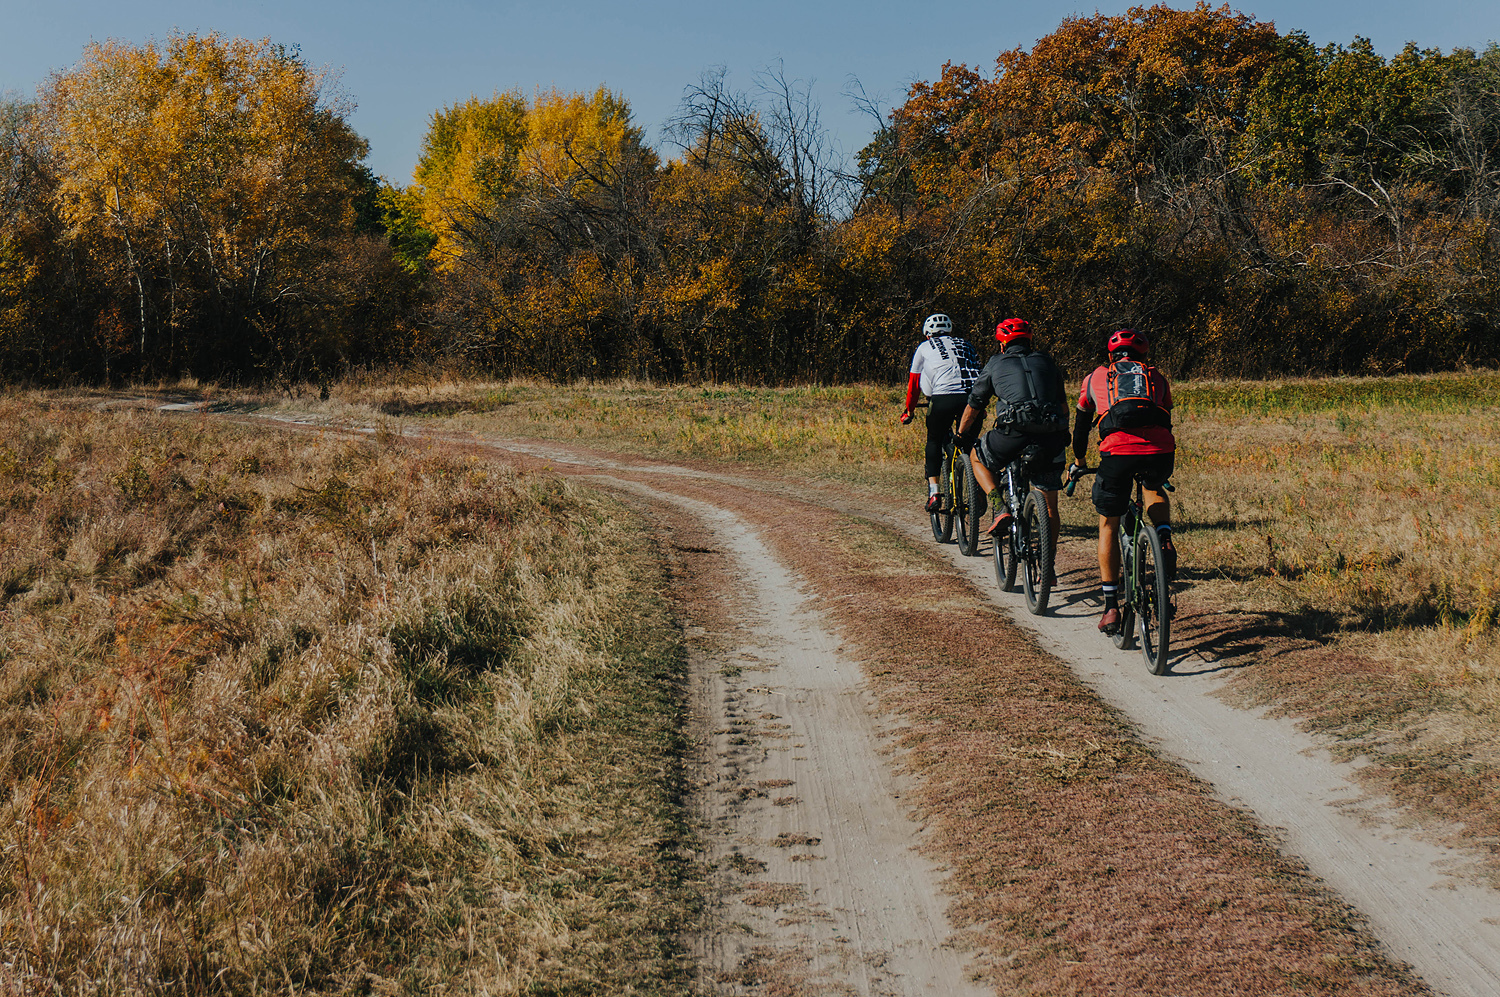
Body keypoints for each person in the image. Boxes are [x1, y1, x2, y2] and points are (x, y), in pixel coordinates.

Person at [1067, 329, 1177, 634]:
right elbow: (1166, 416)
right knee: (1153, 487)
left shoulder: (1094, 378)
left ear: (1110, 355)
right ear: (1144, 355)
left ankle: (1111, 606)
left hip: (1117, 453)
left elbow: (1080, 427)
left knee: (1108, 523)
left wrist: (1079, 462)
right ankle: (1164, 538)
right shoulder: (1157, 377)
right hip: (1160, 450)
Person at [954, 318, 1070, 552]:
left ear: (1001, 344)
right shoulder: (1047, 361)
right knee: (1049, 508)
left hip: (1012, 434)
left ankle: (999, 506)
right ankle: (1050, 565)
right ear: (1029, 341)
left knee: (977, 456)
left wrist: (961, 433)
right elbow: (1063, 407)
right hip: (1049, 436)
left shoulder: (996, 363)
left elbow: (975, 404)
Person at [900, 313, 981, 512]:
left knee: (934, 440)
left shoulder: (924, 347)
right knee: (970, 442)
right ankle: (978, 486)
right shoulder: (965, 344)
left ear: (927, 334)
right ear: (950, 330)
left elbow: (914, 384)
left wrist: (909, 411)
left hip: (943, 398)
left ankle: (934, 492)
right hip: (973, 399)